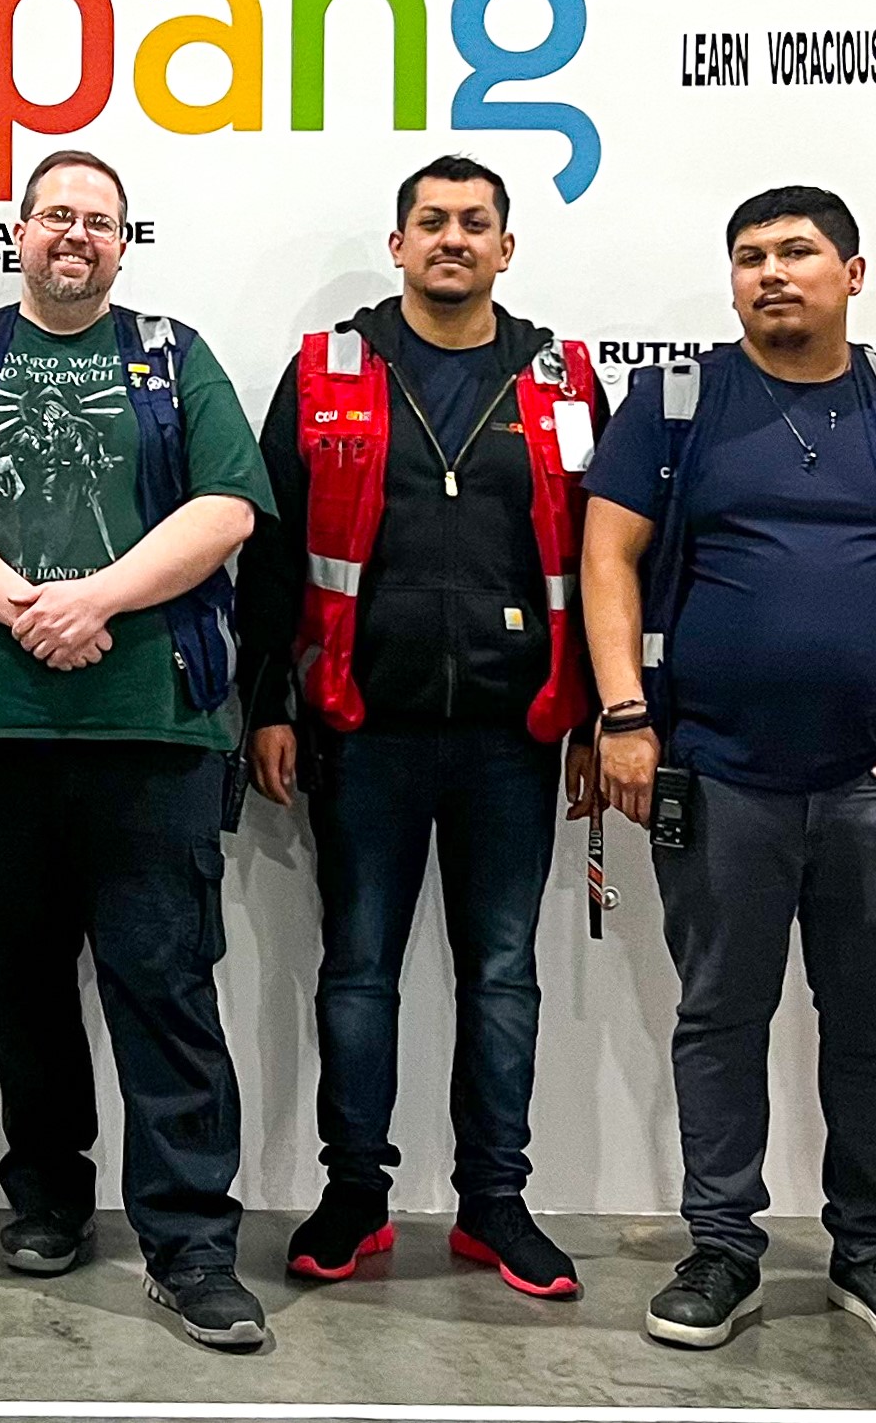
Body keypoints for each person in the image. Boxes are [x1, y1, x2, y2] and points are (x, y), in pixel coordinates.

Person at [577, 186, 876, 1359]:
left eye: (799, 252)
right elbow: (607, 556)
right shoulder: (674, 404)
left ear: (853, 273)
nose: (773, 272)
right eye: (750, 256)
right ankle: (723, 1247)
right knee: (720, 1014)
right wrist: (625, 712)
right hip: (718, 775)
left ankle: (873, 1251)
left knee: (874, 1023)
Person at [0, 148, 277, 1353]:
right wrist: (22, 608)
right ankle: (48, 1197)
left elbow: (227, 507)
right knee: (25, 985)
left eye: (98, 223)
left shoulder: (173, 355)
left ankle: (192, 1244)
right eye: (58, 215)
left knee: (165, 987)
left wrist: (93, 595)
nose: (76, 237)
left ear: (121, 243)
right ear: (18, 229)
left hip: (154, 731)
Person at [233, 155, 605, 1300]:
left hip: (517, 732)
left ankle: (496, 1201)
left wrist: (601, 713)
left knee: (502, 973)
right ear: (397, 245)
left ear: (507, 246)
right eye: (431, 221)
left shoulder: (564, 376)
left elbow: (608, 555)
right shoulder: (325, 369)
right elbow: (272, 551)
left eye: (475, 222)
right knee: (356, 972)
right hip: (364, 729)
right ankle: (357, 1195)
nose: (453, 238)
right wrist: (267, 705)